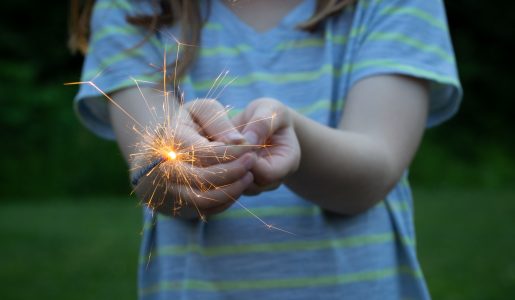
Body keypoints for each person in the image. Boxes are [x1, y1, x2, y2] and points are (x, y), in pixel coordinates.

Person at [71, 0, 462, 298]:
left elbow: (371, 176)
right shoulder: (135, 8)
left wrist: (297, 139)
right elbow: (152, 168)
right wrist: (182, 163)